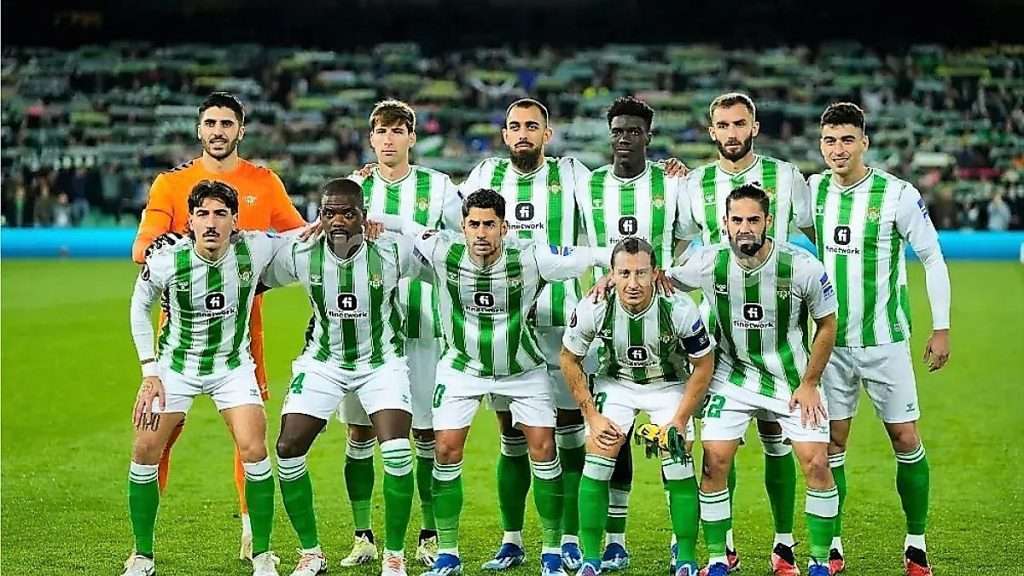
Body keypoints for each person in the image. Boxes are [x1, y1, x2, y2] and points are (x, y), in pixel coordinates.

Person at [379, 188, 613, 576]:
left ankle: (552, 553)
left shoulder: (531, 256)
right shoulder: (442, 249)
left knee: (542, 448)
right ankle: (448, 554)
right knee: (446, 451)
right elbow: (404, 224)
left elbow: (589, 255)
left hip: (522, 369)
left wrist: (624, 268)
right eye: (474, 224)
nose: (481, 232)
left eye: (490, 224)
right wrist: (360, 219)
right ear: (463, 226)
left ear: (504, 227)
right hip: (461, 368)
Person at [132, 91, 306, 559]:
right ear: (198, 129)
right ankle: (143, 543)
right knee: (160, 437)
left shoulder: (264, 183)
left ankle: (252, 530)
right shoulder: (171, 184)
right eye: (210, 123)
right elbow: (142, 247)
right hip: (180, 328)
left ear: (240, 130)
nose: (217, 131)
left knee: (248, 435)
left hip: (245, 327)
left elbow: (298, 240)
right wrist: (179, 255)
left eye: (226, 123)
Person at [668, 184, 839, 576]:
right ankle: (717, 559)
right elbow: (662, 282)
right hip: (732, 377)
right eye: (737, 220)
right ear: (725, 223)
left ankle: (817, 561)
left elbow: (827, 324)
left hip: (792, 380)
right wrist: (614, 280)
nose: (744, 228)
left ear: (768, 222)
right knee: (714, 461)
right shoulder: (708, 261)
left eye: (753, 220)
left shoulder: (802, 266)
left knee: (816, 462)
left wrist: (811, 381)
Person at [676, 92, 816, 574]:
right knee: (720, 446)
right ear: (711, 130)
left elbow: (811, 237)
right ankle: (726, 543)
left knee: (780, 441)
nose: (731, 132)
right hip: (724, 339)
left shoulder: (787, 177)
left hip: (781, 335)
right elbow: (678, 246)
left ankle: (783, 544)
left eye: (740, 123)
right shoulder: (693, 183)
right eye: (722, 125)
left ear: (754, 126)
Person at [810, 102, 951, 576]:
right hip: (830, 345)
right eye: (830, 140)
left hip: (885, 341)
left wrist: (942, 327)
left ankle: (916, 544)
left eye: (847, 139)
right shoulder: (812, 191)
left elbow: (932, 258)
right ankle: (831, 546)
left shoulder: (897, 194)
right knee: (831, 445)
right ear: (821, 144)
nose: (838, 149)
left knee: (905, 437)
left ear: (864, 142)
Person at [122, 180, 288, 576]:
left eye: (220, 214)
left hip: (231, 368)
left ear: (235, 221)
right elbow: (138, 307)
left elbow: (302, 236)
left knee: (254, 449)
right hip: (175, 369)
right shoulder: (166, 260)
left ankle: (263, 555)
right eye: (202, 214)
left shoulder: (256, 248)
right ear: (190, 220)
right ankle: (142, 554)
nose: (211, 223)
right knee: (145, 449)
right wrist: (150, 372)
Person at [265, 178, 426, 576]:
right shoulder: (302, 252)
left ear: (362, 214)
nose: (338, 220)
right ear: (319, 215)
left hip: (381, 362)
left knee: (397, 451)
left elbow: (442, 262)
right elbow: (253, 274)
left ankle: (393, 556)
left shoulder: (391, 250)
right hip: (323, 361)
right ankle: (311, 553)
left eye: (347, 212)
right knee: (287, 449)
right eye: (329, 212)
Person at [337, 100, 462, 568]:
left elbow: (460, 242)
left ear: (412, 137)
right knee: (360, 430)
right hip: (364, 331)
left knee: (425, 433)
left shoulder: (438, 187)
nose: (388, 138)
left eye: (397, 130)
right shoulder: (355, 186)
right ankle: (363, 534)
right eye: (381, 131)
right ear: (371, 139)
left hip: (424, 324)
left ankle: (428, 535)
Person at [574, 95, 690, 571]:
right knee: (609, 443)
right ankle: (606, 545)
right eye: (617, 131)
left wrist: (663, 271)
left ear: (648, 136)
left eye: (633, 131)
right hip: (609, 325)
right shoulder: (590, 184)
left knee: (676, 450)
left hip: (664, 329)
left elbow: (685, 233)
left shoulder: (671, 182)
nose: (624, 139)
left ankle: (682, 550)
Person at [561, 237, 715, 576]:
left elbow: (704, 364)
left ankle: (686, 557)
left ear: (655, 273)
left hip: (668, 384)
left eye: (641, 273)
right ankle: (591, 557)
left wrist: (680, 419)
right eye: (625, 273)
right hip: (615, 383)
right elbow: (569, 359)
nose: (633, 283)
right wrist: (592, 414)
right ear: (611, 274)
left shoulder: (678, 308)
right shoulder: (595, 305)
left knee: (678, 459)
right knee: (599, 457)